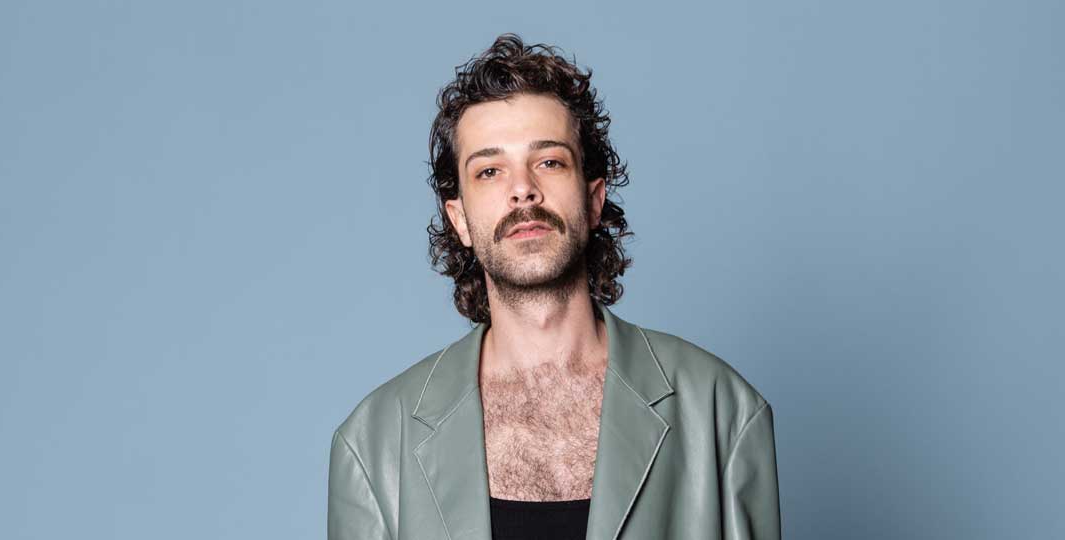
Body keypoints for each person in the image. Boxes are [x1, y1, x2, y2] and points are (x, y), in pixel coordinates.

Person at [328, 33, 781, 540]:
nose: (522, 189)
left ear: (594, 199)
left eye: (549, 161)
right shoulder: (373, 443)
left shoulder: (721, 410)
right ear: (459, 219)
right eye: (489, 171)